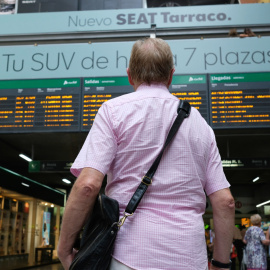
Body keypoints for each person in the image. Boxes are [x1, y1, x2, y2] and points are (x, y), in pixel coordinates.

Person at [57, 37, 235, 270]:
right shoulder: (200, 125)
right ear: (171, 76)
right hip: (190, 257)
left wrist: (63, 248)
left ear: (130, 75)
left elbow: (87, 186)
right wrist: (220, 263)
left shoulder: (113, 112)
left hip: (128, 256)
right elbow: (225, 201)